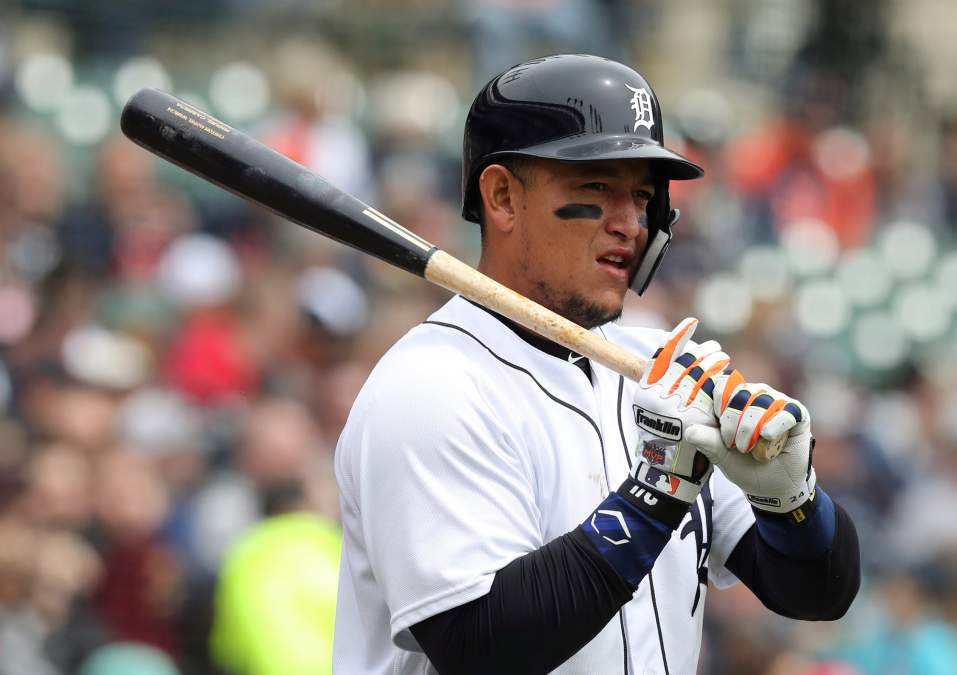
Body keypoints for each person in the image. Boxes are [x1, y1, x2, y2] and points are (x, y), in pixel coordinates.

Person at [332, 54, 860, 675]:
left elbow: (816, 594)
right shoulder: (431, 388)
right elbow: (477, 645)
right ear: (502, 197)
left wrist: (791, 503)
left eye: (642, 196)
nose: (630, 223)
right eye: (597, 189)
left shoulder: (663, 369)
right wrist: (656, 492)